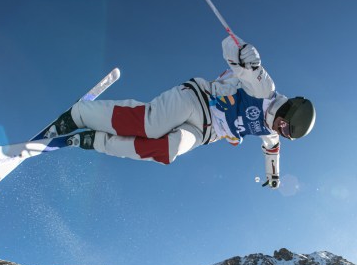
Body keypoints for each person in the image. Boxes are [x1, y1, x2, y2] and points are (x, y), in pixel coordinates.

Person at [46, 36, 316, 188]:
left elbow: (272, 152)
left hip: (202, 132)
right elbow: (229, 48)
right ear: (289, 108)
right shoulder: (264, 89)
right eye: (285, 124)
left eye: (286, 133)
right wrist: (244, 52)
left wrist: (274, 176)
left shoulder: (270, 133)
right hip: (196, 100)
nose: (280, 129)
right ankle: (78, 115)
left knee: (167, 151)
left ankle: (96, 140)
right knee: (150, 124)